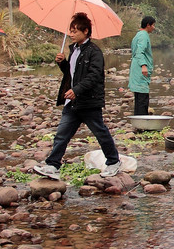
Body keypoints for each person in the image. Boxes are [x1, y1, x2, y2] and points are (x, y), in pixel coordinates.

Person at [34, 12, 122, 179]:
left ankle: (113, 162)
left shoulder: (94, 52)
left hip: (89, 101)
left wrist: (77, 90)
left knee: (100, 132)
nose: (71, 34)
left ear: (86, 32)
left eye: (75, 31)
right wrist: (62, 63)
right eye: (71, 31)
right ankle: (53, 165)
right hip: (73, 102)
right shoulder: (73, 50)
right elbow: (72, 74)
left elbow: (94, 76)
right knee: (62, 134)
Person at [128, 15, 155, 115]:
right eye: (153, 25)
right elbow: (140, 51)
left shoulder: (138, 35)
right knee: (143, 97)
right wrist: (144, 66)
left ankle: (138, 121)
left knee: (138, 96)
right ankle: (142, 122)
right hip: (140, 69)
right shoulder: (143, 35)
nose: (154, 27)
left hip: (136, 67)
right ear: (148, 25)